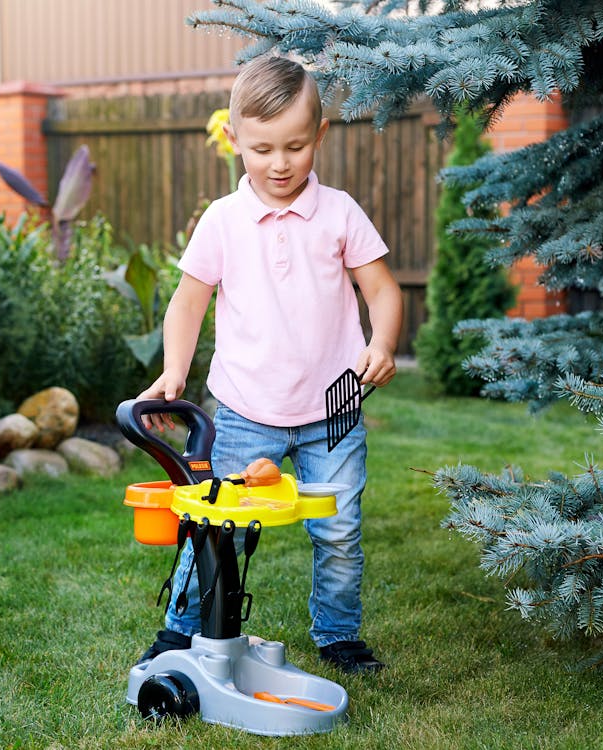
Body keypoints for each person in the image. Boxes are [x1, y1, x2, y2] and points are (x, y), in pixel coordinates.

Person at [136, 55, 403, 674]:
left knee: (338, 533)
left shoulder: (339, 213)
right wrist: (175, 371)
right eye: (261, 149)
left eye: (294, 146)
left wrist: (383, 342)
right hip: (244, 411)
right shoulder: (223, 222)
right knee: (212, 526)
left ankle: (338, 636)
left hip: (334, 410)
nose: (279, 164)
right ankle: (180, 630)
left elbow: (384, 291)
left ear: (320, 136)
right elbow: (187, 302)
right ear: (233, 139)